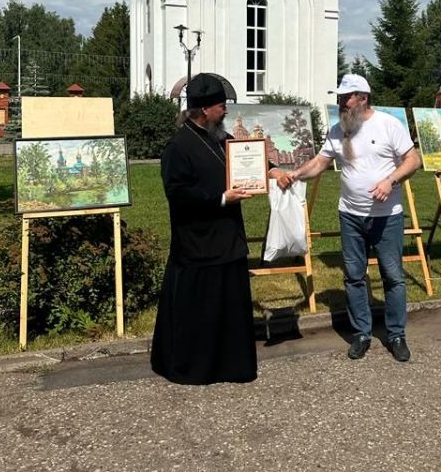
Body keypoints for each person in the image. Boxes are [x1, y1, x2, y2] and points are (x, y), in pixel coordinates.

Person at [151, 72, 290, 385]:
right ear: (203, 110)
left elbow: (248, 161)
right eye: (221, 106)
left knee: (228, 305)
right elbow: (177, 192)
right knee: (201, 309)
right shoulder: (179, 146)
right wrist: (220, 199)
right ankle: (198, 367)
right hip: (197, 242)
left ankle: (231, 365)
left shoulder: (221, 138)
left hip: (228, 239)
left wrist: (273, 171)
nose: (226, 110)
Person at [287, 74, 421, 362]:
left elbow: (413, 160)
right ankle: (361, 333)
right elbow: (321, 162)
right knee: (354, 276)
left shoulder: (388, 125)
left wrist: (391, 181)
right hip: (350, 215)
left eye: (346, 98)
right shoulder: (338, 130)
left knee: (393, 277)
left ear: (363, 98)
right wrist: (297, 174)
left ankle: (396, 334)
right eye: (339, 98)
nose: (341, 103)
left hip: (387, 217)